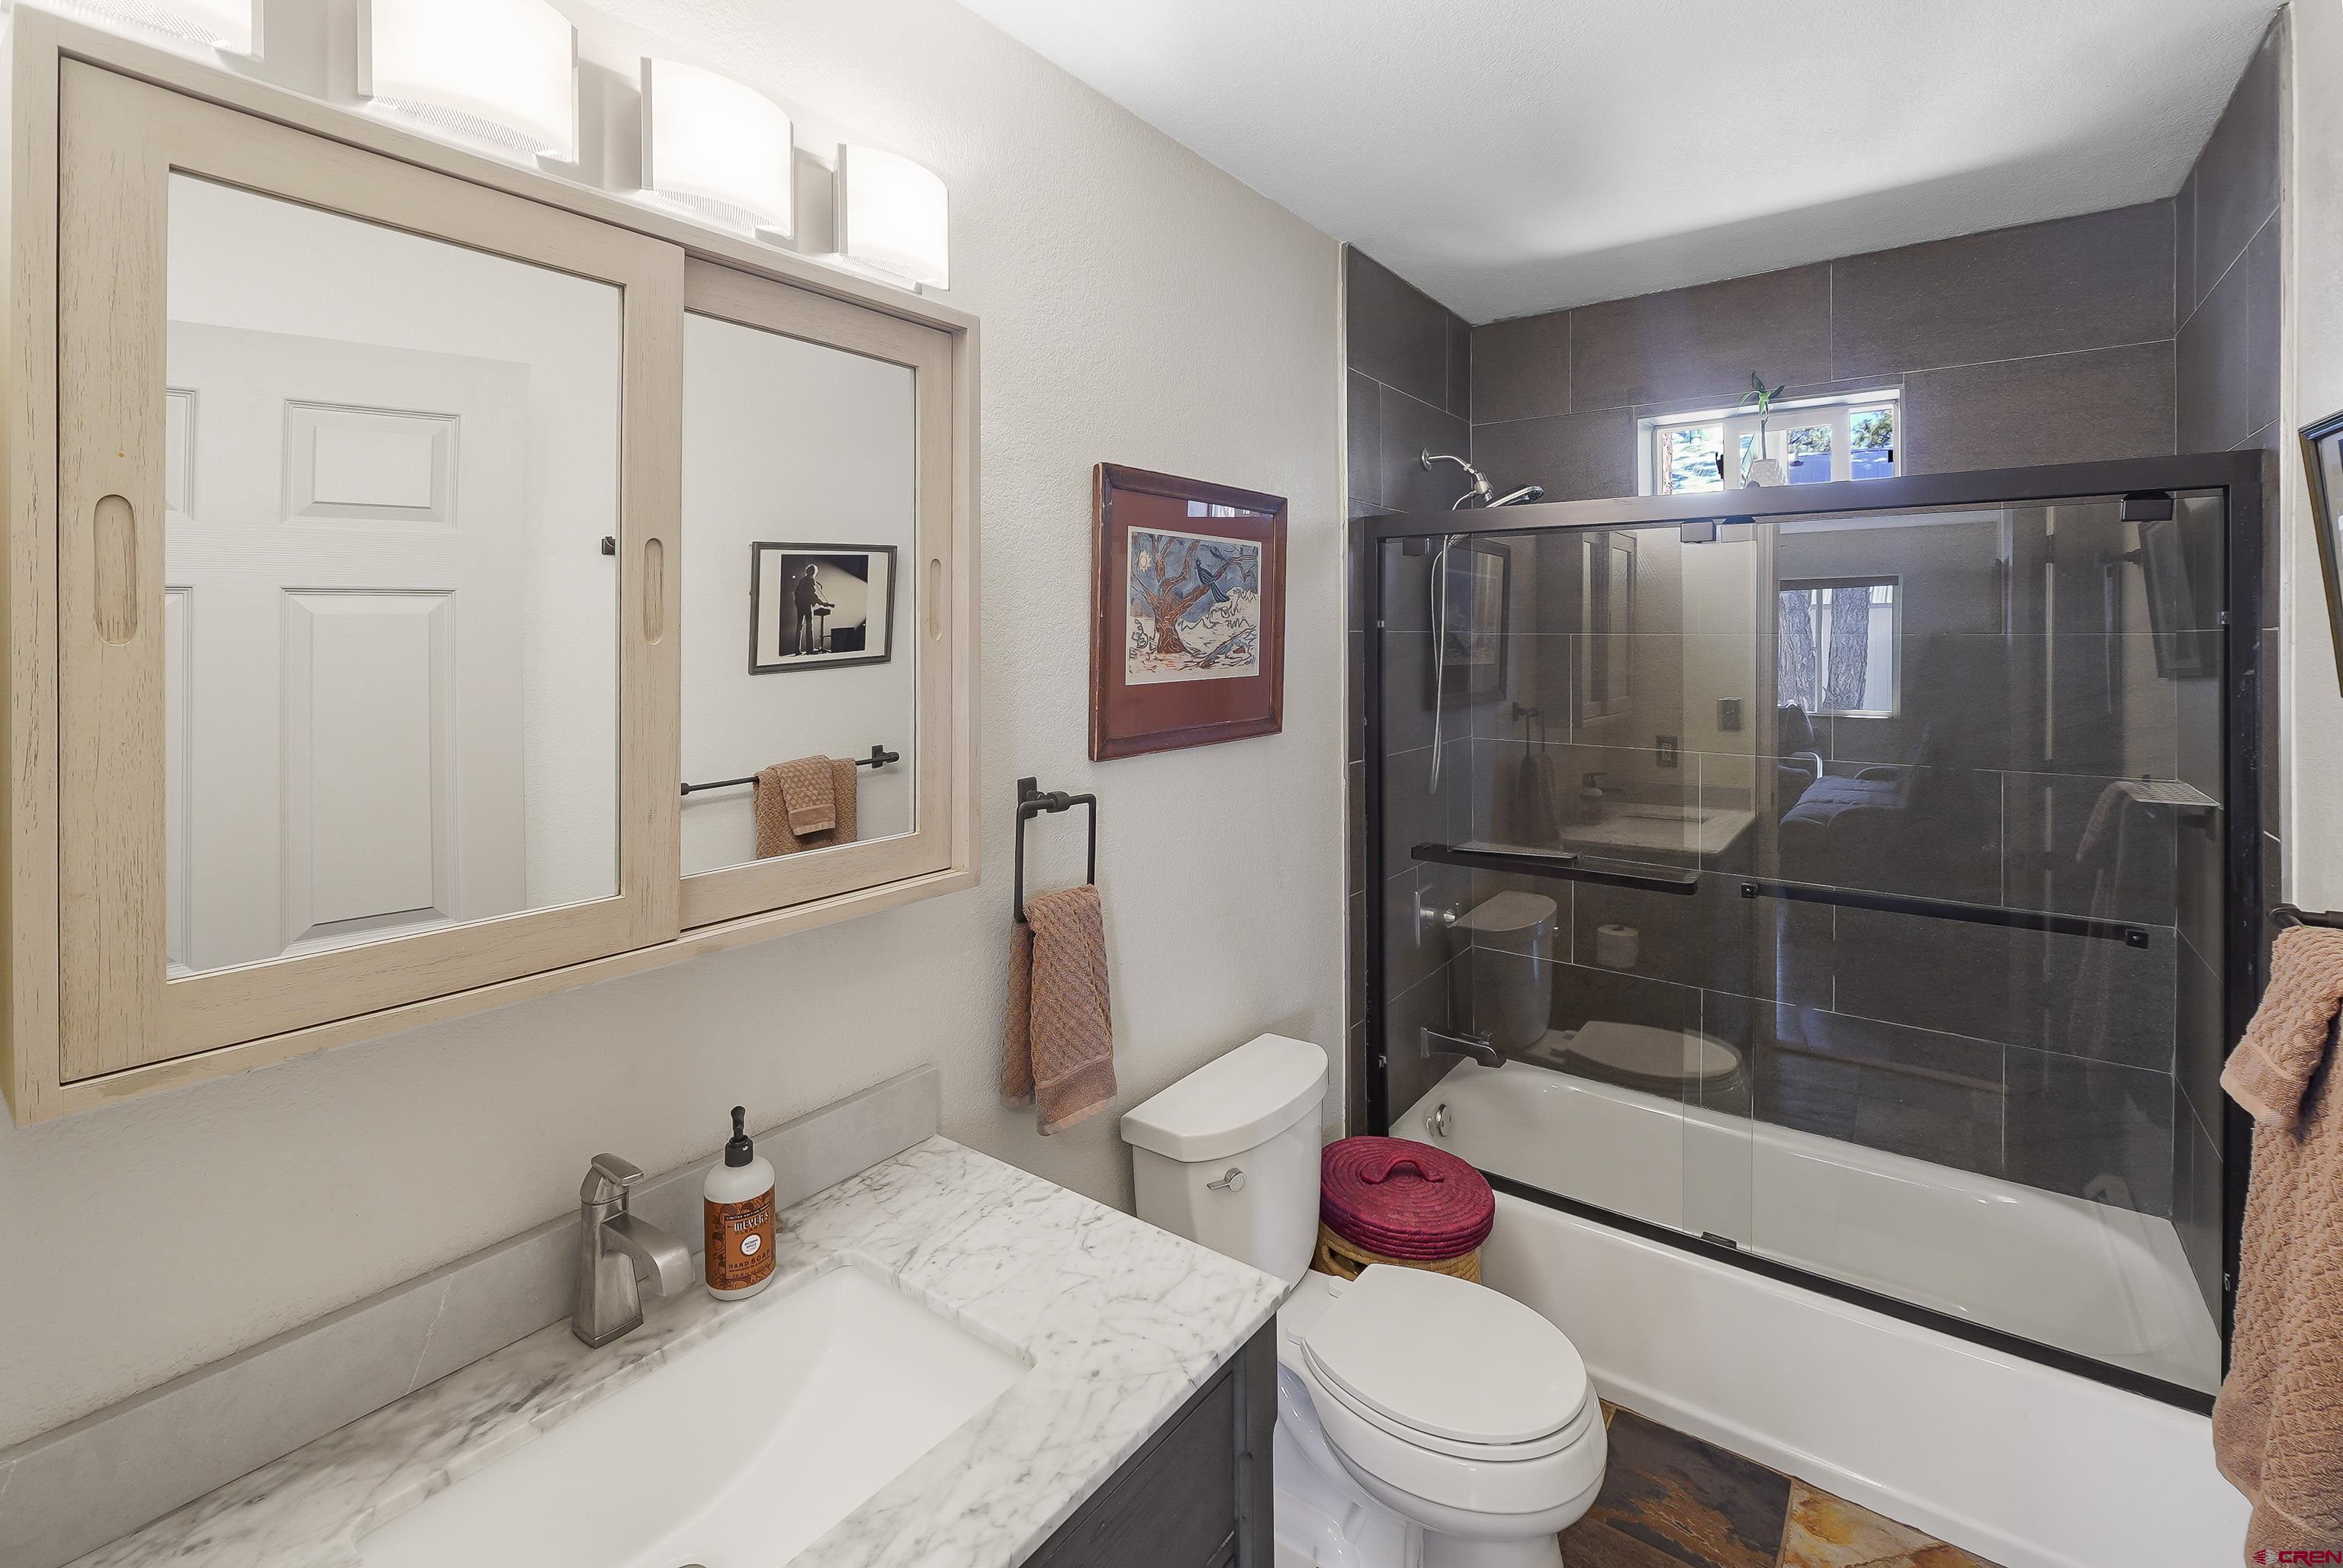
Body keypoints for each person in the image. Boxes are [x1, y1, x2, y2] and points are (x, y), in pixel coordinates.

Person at [792, 564, 834, 655]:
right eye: (814, 572)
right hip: (807, 606)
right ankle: (810, 650)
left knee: (799, 627)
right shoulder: (811, 580)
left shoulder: (802, 580)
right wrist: (822, 603)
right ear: (813, 572)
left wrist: (798, 603)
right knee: (809, 627)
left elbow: (796, 592)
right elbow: (813, 595)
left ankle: (797, 650)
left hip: (800, 606)